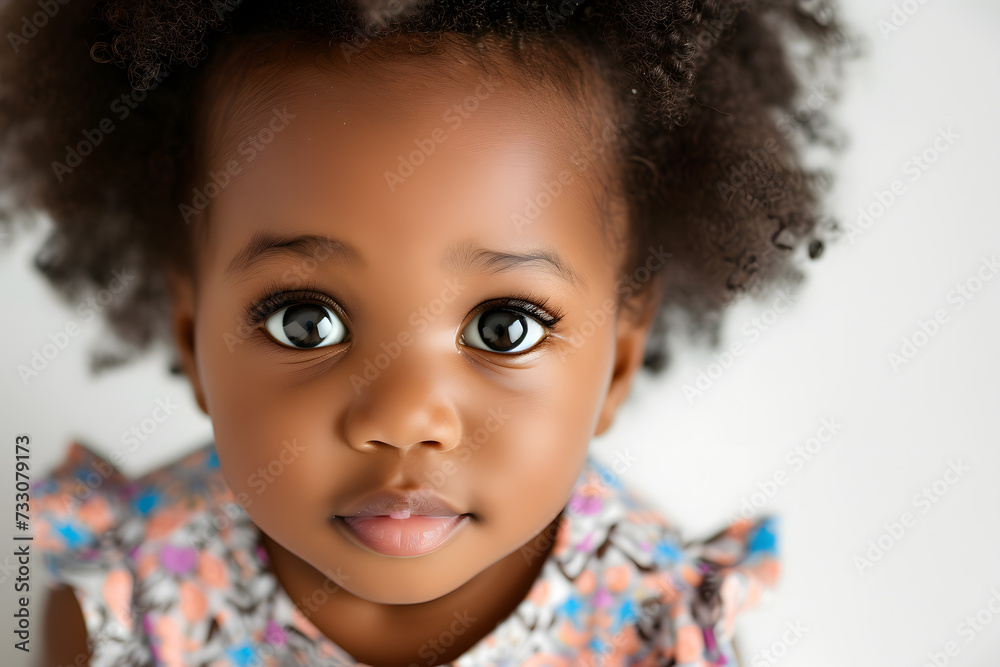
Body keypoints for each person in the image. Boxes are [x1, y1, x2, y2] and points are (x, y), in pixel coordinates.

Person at [0, 0, 849, 664]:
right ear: (194, 335)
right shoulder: (127, 604)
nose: (406, 416)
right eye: (308, 321)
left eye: (505, 326)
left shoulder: (659, 631)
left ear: (619, 357)